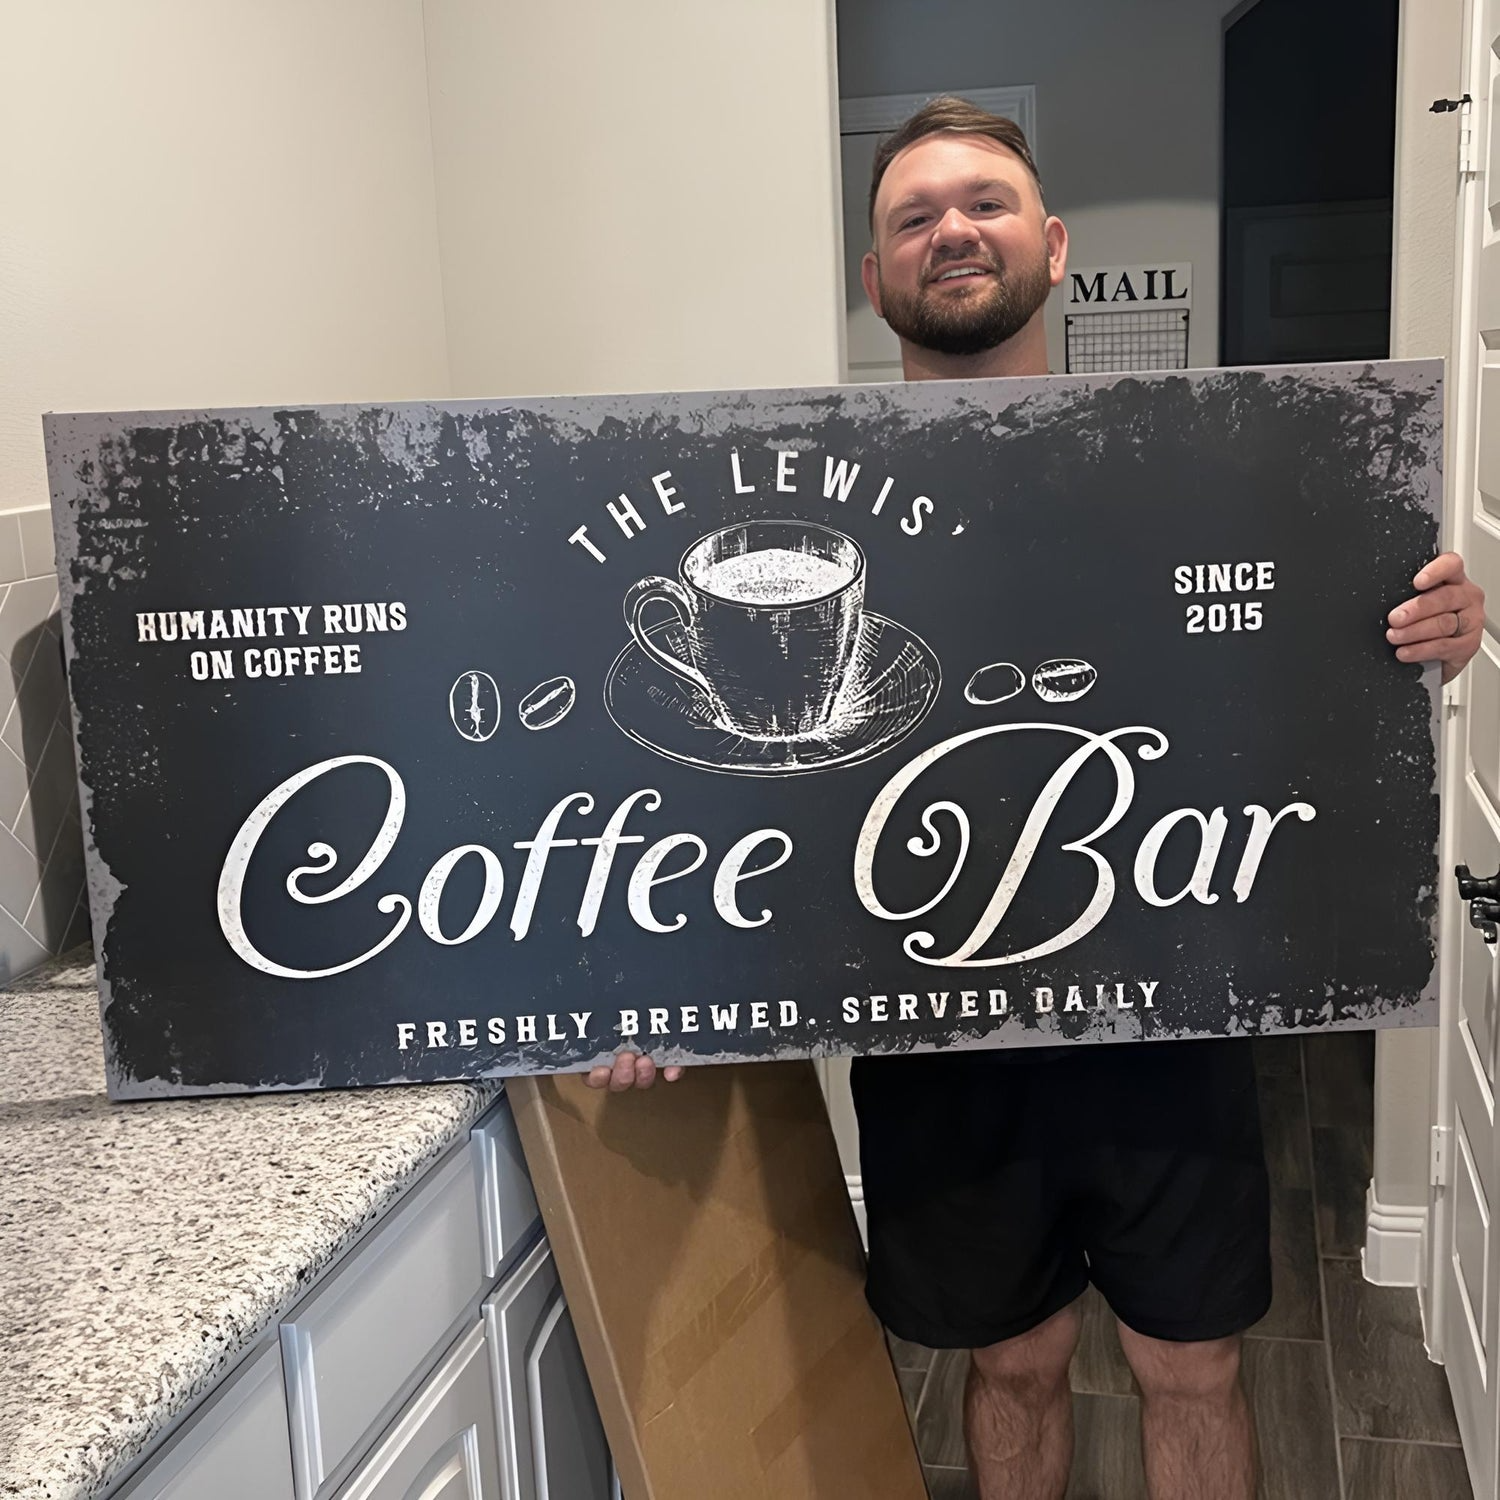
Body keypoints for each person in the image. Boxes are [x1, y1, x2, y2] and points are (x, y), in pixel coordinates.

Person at [586, 97, 1485, 1500]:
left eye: (986, 203)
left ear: (1054, 246)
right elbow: (735, 806)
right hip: (936, 1026)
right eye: (915, 216)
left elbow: (1297, 664)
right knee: (1010, 1364)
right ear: (874, 275)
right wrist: (658, 983)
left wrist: (1422, 633)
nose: (954, 229)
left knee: (1194, 1368)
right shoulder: (803, 500)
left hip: (1168, 1001)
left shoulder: (1199, 461)